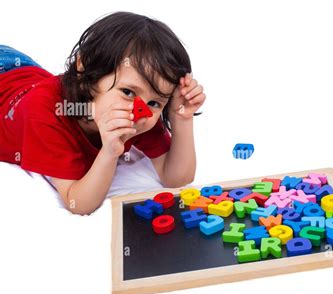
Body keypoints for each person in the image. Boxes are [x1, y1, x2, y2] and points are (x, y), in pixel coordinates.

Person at [0, 12, 205, 215]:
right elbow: (77, 203)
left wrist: (181, 119)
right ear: (84, 68)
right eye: (127, 92)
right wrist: (109, 153)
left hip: (24, 73)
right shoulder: (46, 114)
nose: (140, 110)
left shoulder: (141, 114)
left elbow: (177, 179)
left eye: (155, 102)